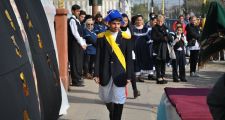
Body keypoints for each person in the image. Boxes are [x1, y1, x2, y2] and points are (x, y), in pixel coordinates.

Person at [93, 10, 132, 120]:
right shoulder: (101, 37)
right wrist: (96, 73)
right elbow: (98, 57)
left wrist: (129, 75)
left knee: (119, 99)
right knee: (106, 98)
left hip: (120, 72)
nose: (116, 26)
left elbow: (129, 58)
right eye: (114, 23)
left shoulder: (126, 37)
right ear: (109, 23)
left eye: (118, 23)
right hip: (105, 71)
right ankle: (113, 113)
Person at [121, 13, 140, 99]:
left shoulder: (130, 29)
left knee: (131, 72)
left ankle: (135, 90)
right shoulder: (118, 29)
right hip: (120, 54)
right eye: (122, 20)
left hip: (130, 53)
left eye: (125, 20)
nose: (124, 22)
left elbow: (133, 41)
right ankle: (121, 91)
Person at [68, 4, 87, 86]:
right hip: (75, 44)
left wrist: (83, 43)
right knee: (75, 62)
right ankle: (76, 80)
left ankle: (78, 78)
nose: (78, 13)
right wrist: (82, 43)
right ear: (73, 11)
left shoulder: (77, 20)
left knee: (79, 61)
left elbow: (80, 33)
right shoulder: (72, 20)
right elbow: (75, 33)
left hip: (79, 44)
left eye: (79, 11)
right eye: (77, 11)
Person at [132, 14, 154, 82]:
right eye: (138, 20)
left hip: (144, 48)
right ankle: (136, 76)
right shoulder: (132, 28)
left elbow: (150, 39)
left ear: (142, 21)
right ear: (135, 21)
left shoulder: (146, 28)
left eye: (140, 20)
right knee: (136, 61)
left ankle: (140, 76)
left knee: (143, 61)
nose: (139, 21)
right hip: (135, 48)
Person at [151, 14, 172, 84]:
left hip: (164, 47)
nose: (160, 22)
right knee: (158, 63)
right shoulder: (154, 28)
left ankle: (162, 76)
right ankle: (158, 77)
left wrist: (168, 38)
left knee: (163, 62)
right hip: (157, 47)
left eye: (161, 21)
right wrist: (162, 38)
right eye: (159, 21)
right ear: (156, 21)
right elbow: (153, 38)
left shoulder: (165, 28)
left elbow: (169, 37)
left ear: (163, 21)